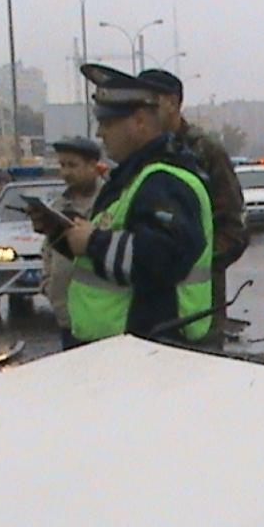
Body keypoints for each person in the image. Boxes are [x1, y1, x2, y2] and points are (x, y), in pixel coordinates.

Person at [55, 64, 212, 345]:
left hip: (147, 350)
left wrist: (92, 242)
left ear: (139, 121)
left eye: (108, 123)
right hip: (126, 348)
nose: (100, 133)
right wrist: (68, 236)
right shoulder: (136, 177)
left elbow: (162, 258)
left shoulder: (163, 181)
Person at [135, 69, 247, 347]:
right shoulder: (139, 153)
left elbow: (234, 228)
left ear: (173, 103)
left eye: (151, 103)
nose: (141, 111)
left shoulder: (205, 151)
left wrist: (192, 262)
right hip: (147, 305)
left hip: (198, 306)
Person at [35, 136, 105, 350]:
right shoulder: (58, 206)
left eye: (72, 165)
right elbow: (48, 250)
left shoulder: (109, 201)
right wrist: (48, 284)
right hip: (67, 317)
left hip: (102, 318)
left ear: (93, 166)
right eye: (62, 165)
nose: (66, 172)